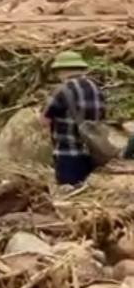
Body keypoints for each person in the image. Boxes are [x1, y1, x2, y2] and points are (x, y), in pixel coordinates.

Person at [44, 51, 105, 187]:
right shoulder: (95, 87)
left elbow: (45, 119)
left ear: (61, 70)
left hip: (68, 152)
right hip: (92, 151)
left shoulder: (62, 90)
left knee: (69, 192)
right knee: (85, 192)